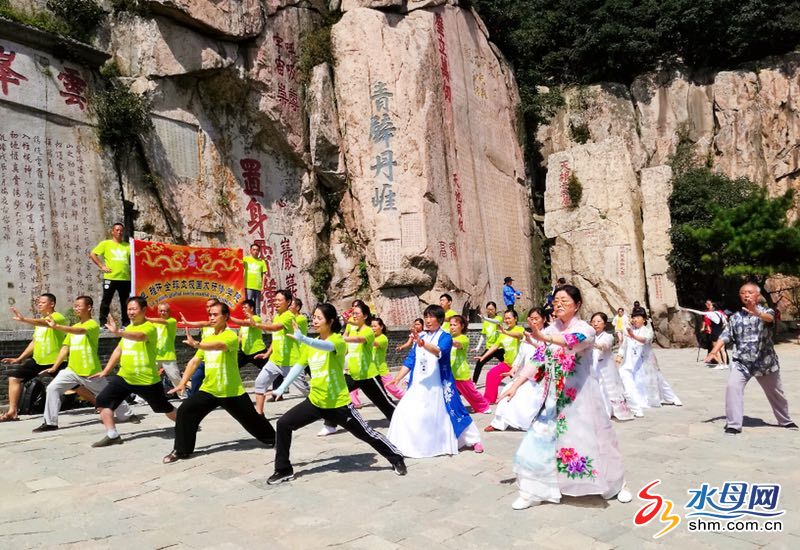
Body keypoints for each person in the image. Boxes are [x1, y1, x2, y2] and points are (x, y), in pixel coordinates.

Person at [511, 285, 631, 510]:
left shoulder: (586, 329)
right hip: (553, 399)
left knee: (596, 442)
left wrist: (545, 337)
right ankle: (533, 491)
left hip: (582, 398)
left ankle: (616, 484)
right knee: (537, 441)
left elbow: (572, 340)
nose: (558, 304)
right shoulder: (551, 329)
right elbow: (537, 359)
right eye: (556, 301)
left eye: (564, 301)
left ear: (577, 305)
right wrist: (515, 385)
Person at [266, 303, 406, 483]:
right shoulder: (310, 344)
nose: (315, 321)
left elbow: (326, 346)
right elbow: (299, 366)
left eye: (319, 318)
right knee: (283, 424)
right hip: (316, 401)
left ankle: (396, 457)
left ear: (330, 321)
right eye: (314, 317)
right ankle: (283, 469)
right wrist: (281, 387)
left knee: (366, 433)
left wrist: (304, 339)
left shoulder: (337, 341)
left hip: (338, 404)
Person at [163, 302, 276, 463]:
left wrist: (197, 344)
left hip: (231, 391)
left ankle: (275, 439)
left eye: (215, 315)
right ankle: (181, 450)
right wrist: (182, 383)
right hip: (209, 389)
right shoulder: (208, 338)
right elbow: (194, 361)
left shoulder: (230, 336)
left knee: (253, 421)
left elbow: (219, 345)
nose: (211, 318)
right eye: (210, 315)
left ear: (226, 316)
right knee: (185, 411)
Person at [387, 305, 484, 457]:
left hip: (438, 383)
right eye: (426, 316)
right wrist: (397, 378)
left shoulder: (445, 337)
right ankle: (412, 445)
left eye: (431, 317)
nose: (428, 320)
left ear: (439, 319)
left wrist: (422, 343)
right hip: (418, 382)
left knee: (455, 410)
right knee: (405, 410)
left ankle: (473, 439)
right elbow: (411, 359)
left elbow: (439, 351)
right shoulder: (422, 336)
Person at [706, 283, 797, 435]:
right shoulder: (735, 317)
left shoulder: (767, 312)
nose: (746, 295)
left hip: (765, 363)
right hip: (742, 363)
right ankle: (733, 424)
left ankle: (785, 420)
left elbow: (769, 319)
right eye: (743, 293)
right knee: (732, 387)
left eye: (749, 292)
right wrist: (713, 352)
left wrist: (757, 313)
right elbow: (726, 335)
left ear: (757, 295)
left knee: (776, 393)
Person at [33, 296, 134, 432]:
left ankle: (128, 414)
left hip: (90, 371)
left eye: (79, 306)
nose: (76, 308)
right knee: (52, 388)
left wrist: (57, 326)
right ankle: (50, 423)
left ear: (89, 307)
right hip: (72, 370)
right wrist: (55, 367)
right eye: (75, 306)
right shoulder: (74, 327)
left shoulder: (92, 325)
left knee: (107, 394)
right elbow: (65, 348)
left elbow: (80, 331)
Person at [89, 297, 177, 447]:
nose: (130, 312)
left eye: (134, 309)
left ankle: (185, 423)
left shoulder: (149, 327)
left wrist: (119, 332)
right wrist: (106, 370)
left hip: (146, 380)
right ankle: (112, 435)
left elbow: (140, 337)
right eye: (129, 309)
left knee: (163, 407)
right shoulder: (128, 328)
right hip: (124, 377)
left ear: (143, 310)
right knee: (102, 401)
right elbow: (119, 350)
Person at [318, 302, 396, 436]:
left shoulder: (368, 331)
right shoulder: (351, 328)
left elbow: (359, 339)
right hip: (351, 374)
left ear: (365, 316)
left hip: (368, 375)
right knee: (334, 394)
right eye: (353, 313)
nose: (354, 316)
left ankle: (400, 419)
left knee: (384, 402)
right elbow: (346, 346)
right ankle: (330, 425)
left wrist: (343, 339)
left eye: (357, 313)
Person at [1, 294, 67, 422]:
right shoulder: (39, 322)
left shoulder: (58, 317)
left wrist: (23, 319)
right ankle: (12, 412)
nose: (39, 304)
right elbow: (34, 342)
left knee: (75, 386)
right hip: (38, 360)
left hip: (56, 361)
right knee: (14, 377)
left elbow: (46, 323)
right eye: (38, 302)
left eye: (43, 302)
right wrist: (19, 358)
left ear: (52, 304)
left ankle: (98, 403)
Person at [486, 307, 548, 432]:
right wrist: (513, 369)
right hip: (524, 375)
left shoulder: (548, 336)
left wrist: (532, 343)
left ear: (544, 319)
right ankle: (498, 423)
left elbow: (544, 354)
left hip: (538, 377)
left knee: (521, 395)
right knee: (507, 390)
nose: (533, 321)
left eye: (536, 319)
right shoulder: (527, 336)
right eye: (531, 319)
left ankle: (524, 422)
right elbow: (520, 356)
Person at [616, 308, 682, 417]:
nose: (635, 319)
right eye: (634, 317)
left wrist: (633, 336)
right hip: (631, 361)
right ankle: (636, 402)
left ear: (644, 319)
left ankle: (672, 397)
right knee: (630, 380)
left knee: (658, 380)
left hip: (645, 361)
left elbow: (645, 340)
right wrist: (619, 357)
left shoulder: (647, 331)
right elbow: (624, 346)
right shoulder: (629, 331)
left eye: (638, 317)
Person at [252, 290, 309, 416]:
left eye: (279, 300)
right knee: (259, 383)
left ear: (288, 302)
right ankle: (259, 415)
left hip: (291, 362)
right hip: (275, 361)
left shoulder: (289, 316)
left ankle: (326, 410)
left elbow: (275, 328)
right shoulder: (277, 316)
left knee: (306, 391)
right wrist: (267, 354)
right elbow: (276, 338)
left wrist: (257, 325)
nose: (276, 302)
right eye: (275, 300)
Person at [589, 312, 633, 421]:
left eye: (599, 321)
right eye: (593, 321)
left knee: (606, 389)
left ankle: (606, 411)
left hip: (604, 368)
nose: (595, 324)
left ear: (604, 324)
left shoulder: (608, 336)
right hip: (591, 367)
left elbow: (605, 345)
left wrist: (593, 344)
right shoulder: (589, 336)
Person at [479, 310, 525, 404]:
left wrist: (505, 332)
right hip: (507, 364)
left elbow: (519, 335)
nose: (506, 320)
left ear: (515, 319)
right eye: (505, 318)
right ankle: (489, 399)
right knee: (491, 374)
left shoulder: (519, 329)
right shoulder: (502, 333)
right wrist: (483, 357)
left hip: (519, 365)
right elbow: (495, 346)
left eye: (509, 318)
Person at [90, 223, 131, 326]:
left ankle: (125, 323)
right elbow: (93, 254)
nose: (119, 232)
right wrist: (102, 266)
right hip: (110, 277)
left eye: (121, 230)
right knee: (106, 301)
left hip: (125, 278)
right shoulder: (106, 244)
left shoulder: (128, 246)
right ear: (112, 231)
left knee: (125, 302)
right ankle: (103, 323)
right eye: (117, 230)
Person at [449, 315, 491, 414]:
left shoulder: (463, 338)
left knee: (471, 393)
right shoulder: (449, 337)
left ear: (462, 326)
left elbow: (457, 344)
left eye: (455, 325)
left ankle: (484, 406)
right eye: (450, 325)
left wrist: (445, 339)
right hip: (450, 372)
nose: (452, 327)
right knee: (449, 393)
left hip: (461, 372)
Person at [180, 299, 219, 397]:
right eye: (207, 306)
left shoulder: (219, 322)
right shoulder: (207, 323)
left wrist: (188, 323)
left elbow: (205, 323)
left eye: (212, 306)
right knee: (196, 379)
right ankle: (193, 399)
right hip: (204, 358)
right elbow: (205, 325)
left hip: (217, 360)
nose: (209, 308)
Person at [146, 302, 183, 396]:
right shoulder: (153, 325)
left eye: (165, 311)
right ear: (158, 311)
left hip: (168, 355)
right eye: (161, 311)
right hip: (155, 355)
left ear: (169, 312)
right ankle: (141, 398)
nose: (163, 312)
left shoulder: (172, 321)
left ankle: (183, 396)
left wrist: (146, 319)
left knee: (175, 377)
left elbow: (162, 321)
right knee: (148, 376)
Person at [680, 301, 728, 367]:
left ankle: (720, 364)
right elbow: (725, 323)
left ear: (713, 307)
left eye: (710, 306)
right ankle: (725, 364)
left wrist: (688, 309)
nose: (709, 307)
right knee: (722, 350)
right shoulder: (720, 314)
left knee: (716, 350)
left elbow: (700, 312)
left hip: (715, 333)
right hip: (721, 333)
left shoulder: (710, 313)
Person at [229, 299, 269, 372]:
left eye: (245, 307)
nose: (243, 309)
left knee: (270, 370)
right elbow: (240, 338)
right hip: (244, 353)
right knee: (231, 368)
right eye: (242, 308)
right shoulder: (244, 322)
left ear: (252, 308)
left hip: (257, 352)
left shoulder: (257, 318)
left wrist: (228, 317)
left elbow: (250, 324)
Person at [371, 317, 405, 400]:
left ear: (381, 327)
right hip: (372, 370)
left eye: (375, 326)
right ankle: (355, 403)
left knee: (392, 389)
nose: (372, 328)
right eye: (371, 326)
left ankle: (407, 398)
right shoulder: (372, 337)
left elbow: (373, 343)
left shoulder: (383, 338)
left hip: (381, 370)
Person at [472, 302, 504, 385]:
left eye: (492, 309)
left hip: (499, 347)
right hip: (489, 348)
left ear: (495, 310)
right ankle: (474, 382)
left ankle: (516, 380)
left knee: (508, 364)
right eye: (488, 309)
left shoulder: (499, 318)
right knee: (479, 362)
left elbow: (496, 322)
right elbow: (483, 335)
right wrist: (478, 347)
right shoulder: (485, 322)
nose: (490, 311)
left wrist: (485, 318)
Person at [243, 243, 269, 314]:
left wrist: (263, 286)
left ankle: (257, 319)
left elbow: (264, 275)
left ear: (259, 251)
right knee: (248, 304)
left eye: (257, 250)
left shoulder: (262, 262)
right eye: (254, 250)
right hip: (248, 286)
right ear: (250, 250)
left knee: (257, 306)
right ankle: (249, 318)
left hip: (258, 286)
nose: (255, 251)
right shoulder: (245, 259)